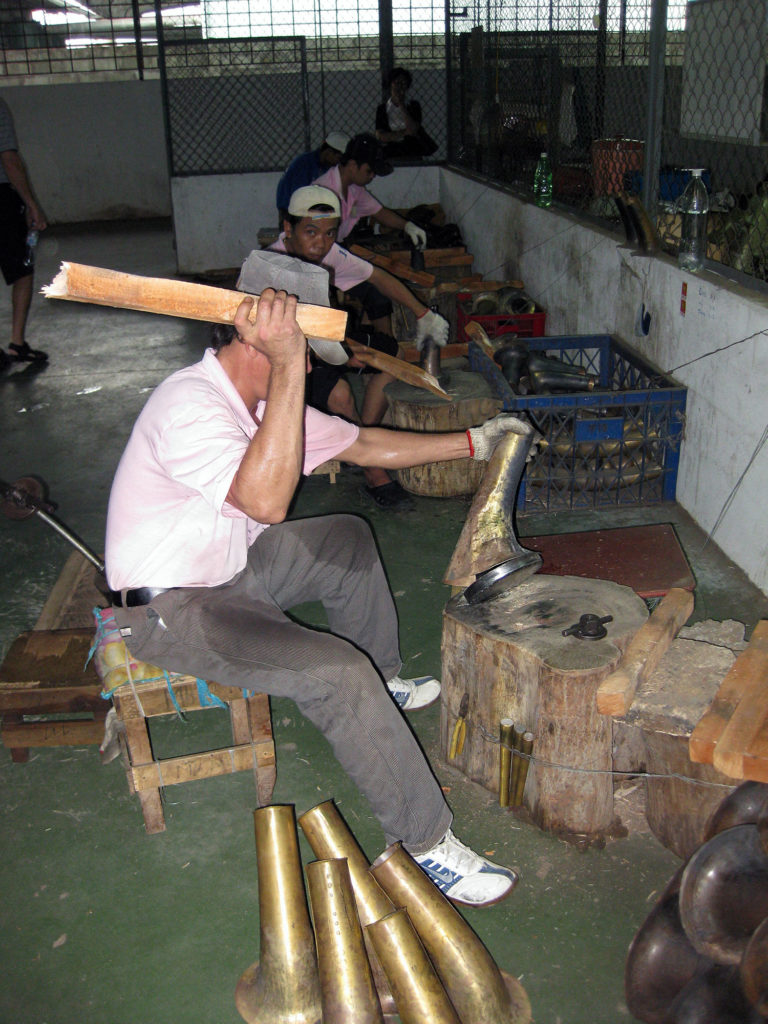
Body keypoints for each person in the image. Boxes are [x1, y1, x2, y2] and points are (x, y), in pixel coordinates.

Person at [104, 286, 529, 906]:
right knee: (336, 673)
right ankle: (424, 844)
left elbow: (360, 444)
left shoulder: (262, 399)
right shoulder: (190, 406)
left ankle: (383, 681)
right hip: (173, 610)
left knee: (344, 540)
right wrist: (283, 367)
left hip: (233, 571)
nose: (308, 368)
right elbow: (267, 502)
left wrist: (475, 442)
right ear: (257, 342)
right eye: (302, 354)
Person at [261, 184, 448, 510]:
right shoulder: (271, 266)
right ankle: (374, 471)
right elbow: (272, 338)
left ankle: (362, 436)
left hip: (321, 347)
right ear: (288, 229)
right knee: (341, 393)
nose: (321, 242)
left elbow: (379, 277)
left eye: (330, 233)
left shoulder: (325, 253)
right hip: (276, 366)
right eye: (311, 232)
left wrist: (424, 314)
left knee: (390, 357)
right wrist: (342, 352)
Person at [313, 132, 428, 250]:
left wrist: (407, 226)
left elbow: (379, 212)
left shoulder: (355, 189)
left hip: (336, 246)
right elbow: (316, 238)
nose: (373, 176)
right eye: (369, 171)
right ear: (353, 165)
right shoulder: (324, 191)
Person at [0, 98, 48, 371]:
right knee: (22, 271)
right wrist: (31, 203)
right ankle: (16, 343)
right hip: (2, 201)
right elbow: (9, 159)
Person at [276, 132, 350, 224]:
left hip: (310, 212)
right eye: (339, 158)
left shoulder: (327, 167)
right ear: (329, 152)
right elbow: (300, 198)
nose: (339, 162)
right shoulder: (304, 164)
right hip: (291, 213)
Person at [375, 67, 438, 161]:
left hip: (412, 149)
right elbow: (382, 136)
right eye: (396, 83)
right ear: (390, 84)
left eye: (403, 83)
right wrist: (404, 132)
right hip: (392, 151)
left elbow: (413, 129)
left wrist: (401, 105)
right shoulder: (382, 109)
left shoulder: (413, 106)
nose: (399, 86)